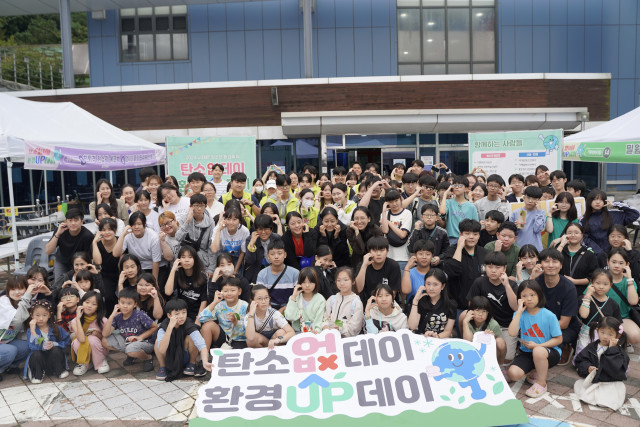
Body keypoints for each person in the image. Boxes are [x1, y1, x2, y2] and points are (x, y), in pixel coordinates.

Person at [507, 280, 562, 397]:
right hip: (527, 352)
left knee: (538, 351)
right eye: (524, 296)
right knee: (513, 373)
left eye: (532, 295)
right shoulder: (519, 314)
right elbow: (512, 333)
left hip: (548, 352)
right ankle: (534, 371)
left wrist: (537, 346)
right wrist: (519, 312)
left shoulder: (549, 315)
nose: (529, 298)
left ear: (539, 295)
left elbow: (558, 340)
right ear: (519, 298)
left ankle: (541, 383)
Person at [465, 251, 518, 363]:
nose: (493, 270)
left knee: (507, 357)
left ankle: (498, 366)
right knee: (463, 316)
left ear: (504, 268)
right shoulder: (479, 282)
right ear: (485, 267)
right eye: (489, 267)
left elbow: (515, 307)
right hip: (485, 322)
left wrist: (507, 285)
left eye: (498, 267)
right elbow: (471, 305)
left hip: (506, 325)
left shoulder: (512, 285)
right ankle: (468, 345)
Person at [535, 248, 581, 365]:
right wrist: (531, 279)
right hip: (539, 324)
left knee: (545, 346)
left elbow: (564, 323)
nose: (551, 265)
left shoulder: (568, 287)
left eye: (555, 261)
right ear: (540, 264)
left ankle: (566, 346)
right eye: (546, 261)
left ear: (560, 265)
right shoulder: (536, 282)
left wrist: (539, 329)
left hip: (564, 328)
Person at [574, 316, 630, 411]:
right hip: (595, 379)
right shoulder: (592, 347)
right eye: (602, 332)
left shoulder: (619, 351)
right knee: (583, 389)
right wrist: (588, 367)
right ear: (597, 330)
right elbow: (580, 360)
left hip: (610, 381)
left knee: (607, 398)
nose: (605, 336)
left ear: (618, 336)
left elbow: (617, 369)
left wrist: (612, 349)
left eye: (610, 334)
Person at [154, 299, 212, 381]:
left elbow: (201, 344)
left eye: (184, 312)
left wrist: (205, 361)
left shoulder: (188, 323)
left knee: (191, 336)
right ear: (169, 315)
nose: (181, 316)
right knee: (158, 342)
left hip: (184, 356)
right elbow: (162, 350)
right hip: (169, 357)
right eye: (177, 314)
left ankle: (191, 364)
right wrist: (170, 327)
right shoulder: (164, 326)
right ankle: (162, 367)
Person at [102, 288, 158, 372]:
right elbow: (105, 334)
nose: (125, 306)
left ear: (135, 304)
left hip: (145, 342)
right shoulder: (117, 316)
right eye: (122, 302)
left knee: (131, 350)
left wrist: (140, 337)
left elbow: (155, 327)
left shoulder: (139, 315)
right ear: (118, 302)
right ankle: (131, 353)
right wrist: (111, 316)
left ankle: (148, 358)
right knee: (104, 341)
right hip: (128, 341)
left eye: (129, 303)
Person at [441, 219, 487, 310]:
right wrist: (459, 248)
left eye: (475, 234)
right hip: (457, 305)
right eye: (467, 233)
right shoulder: (452, 251)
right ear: (460, 234)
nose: (471, 237)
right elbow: (452, 271)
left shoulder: (484, 252)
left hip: (480, 306)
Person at [576, 269, 621, 358]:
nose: (601, 287)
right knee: (582, 357)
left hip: (605, 335)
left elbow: (618, 324)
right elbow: (584, 315)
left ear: (610, 285)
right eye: (598, 283)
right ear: (591, 283)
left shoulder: (613, 304)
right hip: (587, 333)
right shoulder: (584, 298)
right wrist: (588, 295)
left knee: (602, 358)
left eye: (605, 284)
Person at [581, 189, 639, 255]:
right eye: (594, 199)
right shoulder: (584, 219)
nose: (597, 202)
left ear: (605, 201)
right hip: (596, 256)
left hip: (618, 254)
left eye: (601, 200)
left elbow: (635, 214)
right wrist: (599, 253)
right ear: (589, 201)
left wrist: (616, 204)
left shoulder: (615, 214)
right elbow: (584, 238)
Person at [24, 299, 70, 383]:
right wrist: (33, 331)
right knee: (36, 354)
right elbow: (33, 347)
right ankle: (38, 374)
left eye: (44, 315)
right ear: (32, 315)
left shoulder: (55, 328)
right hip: (40, 360)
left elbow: (66, 341)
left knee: (55, 349)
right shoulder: (30, 330)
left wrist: (55, 344)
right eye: (37, 315)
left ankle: (59, 371)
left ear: (49, 315)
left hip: (53, 359)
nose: (41, 318)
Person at [113, 212, 165, 283]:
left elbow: (156, 261)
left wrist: (154, 282)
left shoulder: (153, 237)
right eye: (134, 224)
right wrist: (123, 234)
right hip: (138, 268)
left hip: (156, 267)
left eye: (139, 224)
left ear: (144, 224)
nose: (136, 227)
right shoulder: (128, 235)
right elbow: (116, 254)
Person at [199, 277, 249, 350]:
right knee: (207, 326)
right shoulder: (219, 305)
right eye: (225, 291)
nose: (229, 293)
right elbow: (201, 318)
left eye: (232, 290)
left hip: (240, 339)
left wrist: (235, 321)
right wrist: (215, 301)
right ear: (221, 292)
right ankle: (204, 357)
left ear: (239, 291)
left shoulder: (245, 306)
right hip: (223, 338)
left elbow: (247, 330)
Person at [605, 248, 640, 348]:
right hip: (601, 316)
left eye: (621, 263)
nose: (617, 266)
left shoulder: (628, 281)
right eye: (614, 262)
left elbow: (633, 301)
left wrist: (629, 279)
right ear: (608, 261)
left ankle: (621, 341)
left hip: (622, 318)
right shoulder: (600, 276)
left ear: (627, 265)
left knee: (636, 336)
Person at [46, 208, 94, 279]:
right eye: (70, 220)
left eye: (76, 220)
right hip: (62, 261)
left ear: (81, 222)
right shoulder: (60, 231)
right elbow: (48, 251)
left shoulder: (87, 236)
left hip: (79, 264)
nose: (73, 223)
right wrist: (58, 234)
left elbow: (89, 258)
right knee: (59, 284)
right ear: (66, 221)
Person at [165, 246, 209, 322]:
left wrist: (198, 319)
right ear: (179, 259)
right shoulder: (177, 274)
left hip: (196, 313)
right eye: (183, 257)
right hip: (180, 313)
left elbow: (204, 300)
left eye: (190, 257)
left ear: (195, 259)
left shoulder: (202, 276)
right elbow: (168, 292)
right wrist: (173, 270)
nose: (186, 260)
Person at [70, 291, 110, 376]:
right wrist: (78, 319)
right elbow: (81, 338)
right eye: (87, 302)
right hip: (84, 346)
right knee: (77, 341)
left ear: (98, 307)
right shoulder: (74, 321)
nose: (89, 306)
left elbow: (107, 339)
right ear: (82, 303)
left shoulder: (103, 320)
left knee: (92, 339)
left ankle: (101, 361)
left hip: (99, 349)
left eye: (94, 304)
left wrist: (97, 335)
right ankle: (84, 363)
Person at [408, 269, 456, 338]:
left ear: (443, 286)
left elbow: (447, 331)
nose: (431, 288)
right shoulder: (420, 301)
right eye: (428, 284)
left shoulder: (451, 304)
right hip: (422, 339)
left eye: (435, 284)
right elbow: (412, 326)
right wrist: (415, 301)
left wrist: (436, 336)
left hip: (439, 340)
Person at [552, 223, 597, 296]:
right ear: (565, 235)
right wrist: (562, 243)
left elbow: (593, 277)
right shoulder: (560, 250)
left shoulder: (589, 255)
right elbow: (552, 261)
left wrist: (575, 281)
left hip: (580, 294)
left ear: (582, 235)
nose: (573, 235)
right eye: (569, 233)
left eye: (576, 233)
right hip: (558, 292)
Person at [176, 193, 216, 274]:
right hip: (185, 257)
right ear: (191, 206)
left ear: (206, 206)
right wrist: (187, 221)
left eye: (202, 206)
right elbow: (178, 238)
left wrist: (211, 269)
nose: (199, 208)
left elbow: (211, 246)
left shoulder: (210, 222)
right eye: (196, 205)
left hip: (202, 258)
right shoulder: (184, 219)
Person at [0, 277, 31, 382]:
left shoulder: (23, 303)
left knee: (27, 346)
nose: (17, 292)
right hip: (3, 343)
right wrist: (27, 296)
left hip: (5, 341)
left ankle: (9, 366)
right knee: (10, 351)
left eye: (20, 288)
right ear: (8, 290)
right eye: (13, 289)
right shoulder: (3, 301)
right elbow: (16, 320)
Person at [355, 236, 401, 305]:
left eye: (382, 250)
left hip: (388, 305)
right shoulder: (362, 265)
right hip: (368, 304)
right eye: (374, 250)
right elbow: (358, 289)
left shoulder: (393, 265)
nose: (378, 254)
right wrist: (364, 266)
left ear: (387, 251)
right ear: (369, 252)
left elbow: (393, 293)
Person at [256, 239, 300, 310]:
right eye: (272, 254)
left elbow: (298, 296)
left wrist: (285, 309)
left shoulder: (295, 273)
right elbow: (260, 296)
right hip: (268, 309)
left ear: (285, 255)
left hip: (290, 308)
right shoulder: (262, 274)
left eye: (279, 253)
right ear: (268, 256)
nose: (276, 257)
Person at [462, 296, 507, 365]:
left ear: (488, 313)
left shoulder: (493, 324)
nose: (480, 314)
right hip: (472, 351)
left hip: (488, 351)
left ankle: (500, 365)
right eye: (477, 310)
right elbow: (468, 341)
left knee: (500, 342)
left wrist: (491, 338)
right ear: (471, 311)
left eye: (484, 311)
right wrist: (465, 322)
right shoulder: (468, 321)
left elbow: (496, 344)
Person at [321, 267, 364, 337]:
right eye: (338, 280)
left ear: (353, 281)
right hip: (330, 338)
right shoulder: (331, 299)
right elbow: (325, 318)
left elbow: (355, 328)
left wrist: (339, 328)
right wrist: (325, 326)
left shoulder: (356, 303)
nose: (342, 283)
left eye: (346, 280)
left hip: (347, 342)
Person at [284, 267, 326, 333]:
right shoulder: (295, 297)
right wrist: (294, 297)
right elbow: (290, 317)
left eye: (311, 282)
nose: (307, 285)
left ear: (316, 283)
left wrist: (317, 331)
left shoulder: (320, 299)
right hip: (297, 332)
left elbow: (319, 320)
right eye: (304, 282)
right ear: (299, 283)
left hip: (315, 333)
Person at [440, 175, 479, 245]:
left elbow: (476, 225)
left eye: (460, 185)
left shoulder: (471, 206)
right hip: (451, 239)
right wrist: (445, 194)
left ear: (466, 188)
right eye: (455, 185)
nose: (457, 187)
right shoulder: (449, 202)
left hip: (466, 239)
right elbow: (442, 212)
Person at [210, 207, 250, 274]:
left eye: (234, 219)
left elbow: (242, 252)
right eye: (228, 219)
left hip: (236, 259)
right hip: (221, 258)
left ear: (239, 220)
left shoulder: (244, 231)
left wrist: (236, 270)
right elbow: (214, 250)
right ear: (224, 219)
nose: (231, 222)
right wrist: (219, 230)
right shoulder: (218, 229)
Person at [380, 190, 413, 271]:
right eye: (391, 202)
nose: (394, 204)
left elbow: (402, 234)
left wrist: (388, 222)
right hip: (388, 256)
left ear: (400, 200)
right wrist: (384, 212)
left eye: (396, 200)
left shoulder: (407, 213)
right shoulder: (384, 214)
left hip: (403, 257)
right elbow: (384, 230)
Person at [92, 218, 120, 313]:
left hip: (121, 272)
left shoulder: (120, 240)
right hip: (106, 275)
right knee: (107, 296)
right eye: (103, 230)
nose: (107, 232)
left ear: (115, 230)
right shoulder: (98, 244)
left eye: (110, 229)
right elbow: (98, 262)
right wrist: (94, 242)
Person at [244, 214, 280, 283]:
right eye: (260, 229)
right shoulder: (250, 239)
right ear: (255, 229)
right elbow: (249, 261)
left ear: (271, 229)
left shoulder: (277, 238)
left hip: (273, 272)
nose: (263, 232)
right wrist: (252, 244)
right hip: (255, 274)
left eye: (266, 229)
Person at [509, 186, 546, 251]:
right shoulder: (518, 212)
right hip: (520, 248)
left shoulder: (541, 212)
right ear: (524, 197)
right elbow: (512, 233)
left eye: (534, 199)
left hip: (536, 248)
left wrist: (539, 212)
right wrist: (516, 227)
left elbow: (537, 229)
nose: (530, 201)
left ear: (538, 200)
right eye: (528, 198)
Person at [401, 240, 434, 306]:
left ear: (432, 256)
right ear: (415, 255)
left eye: (428, 254)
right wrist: (407, 267)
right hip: (413, 308)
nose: (424, 257)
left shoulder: (436, 274)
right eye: (420, 254)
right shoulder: (408, 273)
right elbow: (405, 292)